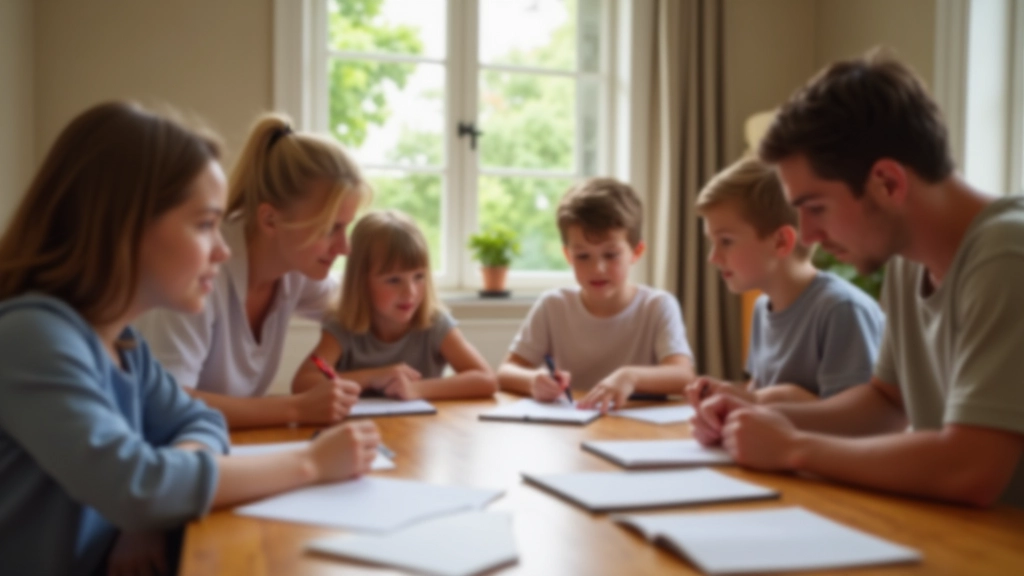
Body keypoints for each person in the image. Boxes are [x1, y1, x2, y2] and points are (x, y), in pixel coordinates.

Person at [0, 102, 380, 575]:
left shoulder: (125, 348)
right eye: (204, 225)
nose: (222, 249)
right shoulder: (32, 339)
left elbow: (202, 423)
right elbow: (138, 485)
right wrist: (309, 463)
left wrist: (166, 486)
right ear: (125, 225)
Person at [691, 51, 1024, 507]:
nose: (807, 234)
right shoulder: (908, 261)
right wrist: (758, 413)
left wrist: (794, 447)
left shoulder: (1007, 255)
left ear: (887, 182)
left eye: (816, 207)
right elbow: (885, 406)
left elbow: (973, 467)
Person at [136, 113, 370, 429]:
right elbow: (167, 401)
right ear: (270, 220)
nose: (345, 248)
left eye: (347, 228)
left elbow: (364, 305)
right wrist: (297, 409)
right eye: (331, 228)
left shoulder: (295, 270)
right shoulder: (201, 273)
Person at [685, 156, 884, 405]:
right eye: (711, 243)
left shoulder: (841, 309)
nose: (712, 258)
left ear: (781, 242)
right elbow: (759, 389)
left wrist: (776, 398)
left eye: (725, 241)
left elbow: (858, 420)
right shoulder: (761, 308)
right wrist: (730, 395)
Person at [497, 177, 695, 412]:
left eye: (610, 255)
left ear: (636, 251)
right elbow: (505, 372)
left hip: (637, 434)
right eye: (583, 256)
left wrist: (630, 377)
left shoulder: (658, 306)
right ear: (568, 256)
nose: (597, 268)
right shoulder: (553, 305)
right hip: (572, 430)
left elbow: (683, 376)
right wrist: (532, 381)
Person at [292, 210, 497, 399]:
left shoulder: (434, 323)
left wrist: (416, 389)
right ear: (361, 283)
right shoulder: (342, 326)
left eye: (419, 277)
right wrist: (373, 377)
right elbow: (303, 383)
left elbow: (486, 379)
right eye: (393, 280)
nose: (410, 292)